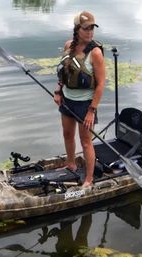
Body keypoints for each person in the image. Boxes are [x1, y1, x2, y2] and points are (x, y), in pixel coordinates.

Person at [54, 11, 105, 187]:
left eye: (92, 28)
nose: (90, 32)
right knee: (67, 134)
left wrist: (92, 110)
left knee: (85, 141)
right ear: (77, 29)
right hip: (67, 99)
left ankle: (89, 180)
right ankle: (71, 164)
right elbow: (65, 71)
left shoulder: (96, 53)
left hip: (85, 104)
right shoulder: (69, 45)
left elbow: (100, 84)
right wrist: (58, 91)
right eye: (86, 28)